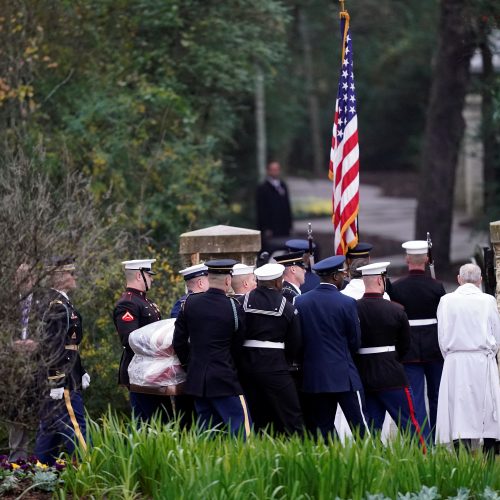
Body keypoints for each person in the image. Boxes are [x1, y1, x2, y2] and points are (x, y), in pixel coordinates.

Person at [173, 259, 251, 438]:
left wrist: (190, 364)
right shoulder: (233, 307)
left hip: (197, 379)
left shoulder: (189, 304)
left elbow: (179, 342)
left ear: (208, 277)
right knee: (241, 430)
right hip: (224, 377)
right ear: (227, 281)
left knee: (207, 433)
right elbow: (238, 345)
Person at [294, 255, 368, 440]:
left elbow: (298, 339)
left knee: (323, 430)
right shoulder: (347, 302)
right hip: (344, 375)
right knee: (361, 429)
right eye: (342, 274)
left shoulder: (301, 301)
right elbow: (355, 341)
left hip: (314, 376)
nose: (345, 277)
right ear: (335, 277)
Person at [355, 262, 427, 449]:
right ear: (381, 280)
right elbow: (405, 345)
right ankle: (423, 460)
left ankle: (372, 465)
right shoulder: (396, 310)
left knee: (371, 428)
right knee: (409, 424)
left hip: (365, 374)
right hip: (392, 374)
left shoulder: (353, 309)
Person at [435, 263, 500, 454]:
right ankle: (488, 454)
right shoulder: (487, 301)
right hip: (481, 359)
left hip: (456, 360)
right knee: (486, 407)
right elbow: (496, 334)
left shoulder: (446, 301)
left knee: (458, 408)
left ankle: (461, 457)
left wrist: (451, 356)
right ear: (480, 281)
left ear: (459, 279)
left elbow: (441, 335)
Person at [35, 258, 89, 465]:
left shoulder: (62, 302)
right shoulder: (56, 305)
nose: (74, 277)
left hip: (67, 373)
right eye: (70, 273)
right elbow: (53, 345)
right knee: (76, 425)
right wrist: (56, 380)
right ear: (58, 277)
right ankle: (86, 468)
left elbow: (70, 344)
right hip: (62, 379)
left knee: (50, 427)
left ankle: (41, 470)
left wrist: (80, 370)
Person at [238, 263, 304, 435]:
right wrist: (287, 362)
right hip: (275, 366)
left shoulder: (241, 303)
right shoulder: (287, 308)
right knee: (291, 413)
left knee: (256, 412)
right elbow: (295, 343)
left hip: (246, 367)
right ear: (277, 283)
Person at [389, 240, 446, 438]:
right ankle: (440, 436)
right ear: (427, 259)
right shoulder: (437, 287)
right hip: (434, 347)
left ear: (407, 259)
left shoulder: (396, 288)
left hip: (409, 348)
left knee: (415, 399)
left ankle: (424, 440)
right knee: (437, 396)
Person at [113, 259, 171, 422]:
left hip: (152, 370)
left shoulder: (144, 301)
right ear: (139, 275)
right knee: (147, 421)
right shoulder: (128, 303)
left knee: (162, 419)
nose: (151, 279)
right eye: (149, 275)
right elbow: (129, 339)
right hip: (140, 370)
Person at [256, 161, 293, 252]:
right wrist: (266, 228)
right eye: (273, 169)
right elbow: (261, 210)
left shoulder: (283, 185)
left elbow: (287, 206)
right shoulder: (263, 188)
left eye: (277, 169)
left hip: (283, 227)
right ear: (268, 171)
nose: (275, 172)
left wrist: (289, 225)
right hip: (271, 228)